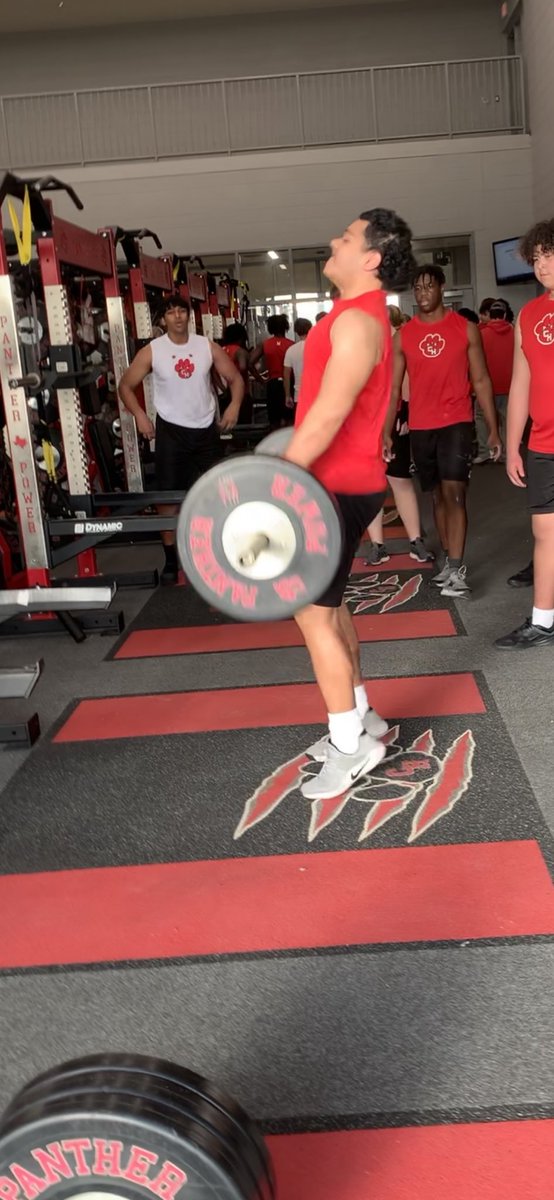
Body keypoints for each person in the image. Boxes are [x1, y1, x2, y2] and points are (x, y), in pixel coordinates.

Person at [283, 207, 416, 800]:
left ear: (370, 258)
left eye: (345, 236)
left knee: (312, 613)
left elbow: (329, 416)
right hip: (336, 482)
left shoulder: (361, 323)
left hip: (336, 486)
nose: (332, 240)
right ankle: (362, 718)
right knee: (332, 610)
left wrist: (276, 481)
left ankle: (348, 746)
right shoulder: (349, 315)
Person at [385, 265, 501, 597]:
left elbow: (481, 380)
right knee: (435, 495)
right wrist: (386, 431)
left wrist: (493, 428)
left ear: (442, 289)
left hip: (456, 421)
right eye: (417, 289)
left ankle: (456, 568)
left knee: (454, 493)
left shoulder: (465, 329)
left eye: (428, 287)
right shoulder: (403, 336)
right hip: (421, 426)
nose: (423, 294)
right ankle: (450, 564)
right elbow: (393, 389)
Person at [119, 294, 243, 584]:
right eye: (171, 312)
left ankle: (227, 552)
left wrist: (234, 405)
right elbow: (126, 385)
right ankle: (171, 561)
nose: (177, 316)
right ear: (162, 320)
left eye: (182, 311)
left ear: (189, 316)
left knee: (221, 492)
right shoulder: (152, 351)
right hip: (171, 431)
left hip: (205, 429)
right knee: (167, 498)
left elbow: (235, 378)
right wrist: (140, 415)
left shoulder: (206, 346)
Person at [495, 219, 554, 649]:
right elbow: (520, 383)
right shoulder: (529, 315)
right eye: (536, 259)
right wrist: (513, 444)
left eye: (549, 256)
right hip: (543, 445)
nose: (542, 266)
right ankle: (543, 621)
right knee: (544, 533)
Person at [366, 305, 434, 565]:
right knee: (372, 484)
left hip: (393, 421)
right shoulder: (364, 344)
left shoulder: (399, 342)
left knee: (400, 480)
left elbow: (406, 385)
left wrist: (405, 416)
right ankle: (377, 544)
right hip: (367, 423)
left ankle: (416, 541)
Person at [475, 299, 515, 463]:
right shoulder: (515, 333)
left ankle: (485, 452)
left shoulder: (481, 335)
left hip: (487, 387)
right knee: (508, 421)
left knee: (481, 418)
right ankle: (505, 454)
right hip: (509, 386)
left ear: (490, 316)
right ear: (505, 315)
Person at [249, 314, 293, 429]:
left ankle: (274, 444)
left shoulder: (264, 344)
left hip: (273, 384)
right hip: (288, 384)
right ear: (286, 327)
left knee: (274, 420)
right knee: (289, 418)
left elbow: (250, 363)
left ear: (270, 328)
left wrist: (261, 380)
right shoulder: (292, 345)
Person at [220, 322, 258, 424]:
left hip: (224, 394)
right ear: (242, 337)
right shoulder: (240, 351)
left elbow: (213, 371)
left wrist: (222, 387)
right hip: (241, 393)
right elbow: (244, 366)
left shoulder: (220, 350)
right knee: (244, 423)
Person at [283, 318, 312, 414]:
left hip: (299, 396)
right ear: (310, 328)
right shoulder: (316, 346)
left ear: (296, 331)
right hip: (317, 394)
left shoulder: (291, 350)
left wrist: (287, 395)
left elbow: (286, 375)